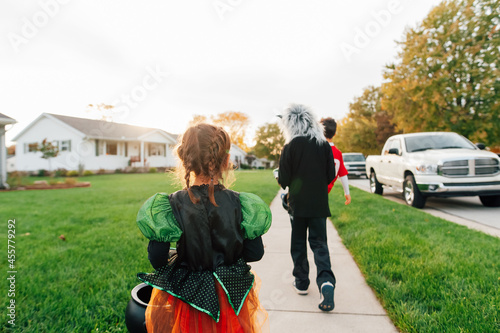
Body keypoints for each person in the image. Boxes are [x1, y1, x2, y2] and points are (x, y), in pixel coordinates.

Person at [136, 123, 271, 332]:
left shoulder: (171, 205)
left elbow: (157, 259)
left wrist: (180, 255)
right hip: (229, 294)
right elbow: (255, 253)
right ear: (226, 161)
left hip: (190, 298)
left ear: (183, 159)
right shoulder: (241, 204)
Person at [277, 104, 336, 312]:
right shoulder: (324, 145)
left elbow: (283, 180)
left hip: (298, 205)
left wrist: (283, 178)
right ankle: (326, 282)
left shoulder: (290, 147)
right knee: (320, 244)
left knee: (299, 244)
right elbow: (331, 175)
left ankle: (301, 282)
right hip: (319, 205)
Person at [320, 117, 351, 205]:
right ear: (335, 134)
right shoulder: (338, 153)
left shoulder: (317, 150)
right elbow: (343, 174)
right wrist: (347, 192)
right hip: (325, 192)